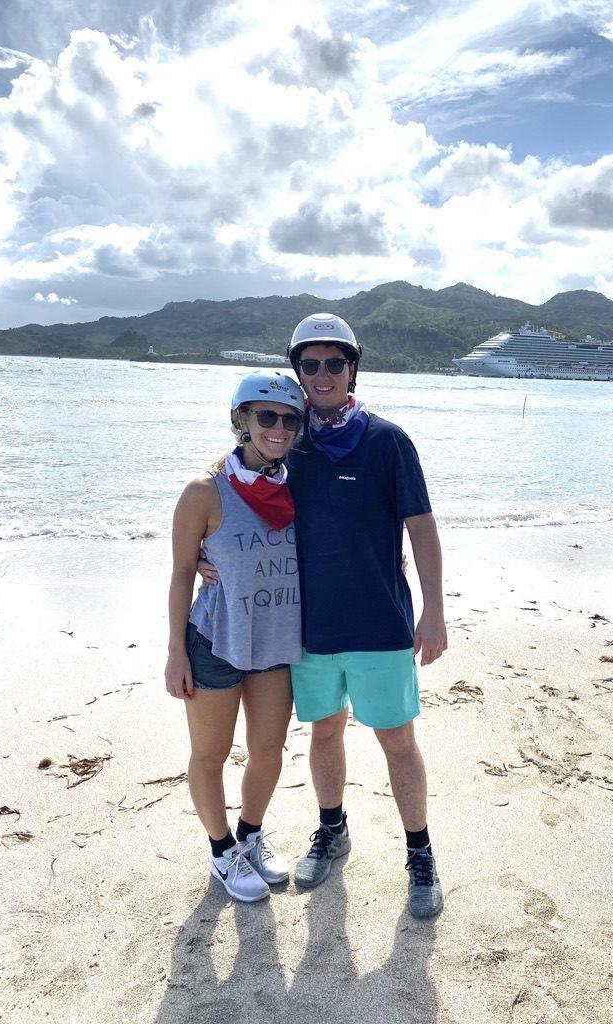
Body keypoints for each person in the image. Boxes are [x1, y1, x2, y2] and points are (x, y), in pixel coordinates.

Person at [200, 313, 448, 918]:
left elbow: (421, 527)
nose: (322, 374)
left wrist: (435, 611)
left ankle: (420, 854)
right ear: (297, 372)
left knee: (398, 741)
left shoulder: (388, 440)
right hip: (307, 626)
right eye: (309, 364)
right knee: (326, 731)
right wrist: (206, 552)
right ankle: (332, 830)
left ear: (352, 367)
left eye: (334, 362)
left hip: (380, 620)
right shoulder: (289, 440)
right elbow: (229, 486)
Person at [165, 371, 306, 903]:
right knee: (211, 752)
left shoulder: (300, 486)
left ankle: (250, 835)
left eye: (289, 419)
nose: (278, 428)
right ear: (242, 419)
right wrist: (175, 653)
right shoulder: (205, 491)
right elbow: (182, 572)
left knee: (268, 749)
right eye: (266, 416)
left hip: (275, 642)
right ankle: (222, 850)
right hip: (214, 641)